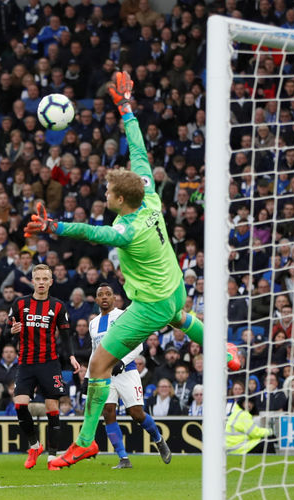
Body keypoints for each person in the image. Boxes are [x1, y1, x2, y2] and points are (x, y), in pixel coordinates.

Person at [25, 73, 208, 469]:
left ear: (121, 198)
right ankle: (222, 347)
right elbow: (139, 151)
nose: (104, 195)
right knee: (181, 316)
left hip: (150, 304)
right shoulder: (151, 197)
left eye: (108, 193)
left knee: (98, 366)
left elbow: (93, 232)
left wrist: (55, 226)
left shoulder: (128, 229)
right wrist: (126, 106)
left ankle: (87, 442)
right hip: (174, 289)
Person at [7, 264, 80, 471]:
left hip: (49, 363)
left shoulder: (58, 306)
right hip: (26, 363)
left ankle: (53, 457)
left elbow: (66, 336)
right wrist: (12, 330)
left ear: (51, 282)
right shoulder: (19, 304)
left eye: (44, 279)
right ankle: (34, 446)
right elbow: (6, 331)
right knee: (20, 405)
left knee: (52, 409)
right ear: (32, 280)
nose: (41, 282)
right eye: (37, 279)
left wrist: (72, 357)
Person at [90, 284, 171, 469]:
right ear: (96, 300)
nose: (104, 297)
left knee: (136, 413)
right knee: (108, 412)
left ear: (114, 298)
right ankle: (123, 458)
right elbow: (95, 351)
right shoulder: (93, 323)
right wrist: (89, 376)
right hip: (104, 374)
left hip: (127, 371)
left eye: (108, 294)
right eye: (100, 295)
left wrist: (123, 361)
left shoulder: (124, 315)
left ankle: (158, 440)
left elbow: (138, 344)